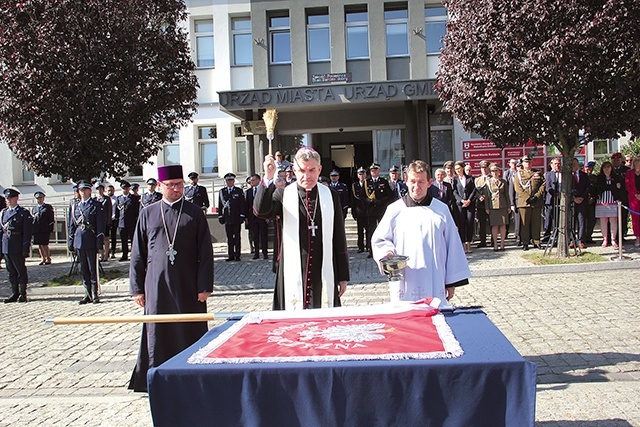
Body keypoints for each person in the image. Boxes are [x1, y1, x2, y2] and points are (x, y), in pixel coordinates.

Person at [129, 164, 214, 392]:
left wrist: (204, 286)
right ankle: (156, 377)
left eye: (179, 184)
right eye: (171, 185)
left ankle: (193, 374)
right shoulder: (147, 213)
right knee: (158, 331)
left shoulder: (194, 213)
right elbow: (138, 252)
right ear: (159, 186)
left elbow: (205, 252)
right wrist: (137, 288)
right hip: (156, 286)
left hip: (189, 285)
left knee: (190, 329)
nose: (176, 189)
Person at [254, 147, 349, 310]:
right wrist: (268, 177)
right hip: (291, 270)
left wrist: (342, 276)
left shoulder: (330, 195)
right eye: (302, 170)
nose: (307, 176)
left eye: (312, 170)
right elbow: (261, 212)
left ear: (319, 170)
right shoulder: (282, 194)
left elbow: (339, 235)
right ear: (294, 170)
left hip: (324, 269)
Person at [371, 160, 470, 303]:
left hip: (434, 279)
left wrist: (451, 282)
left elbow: (452, 246)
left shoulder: (441, 210)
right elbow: (380, 239)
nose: (416, 187)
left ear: (429, 183)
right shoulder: (394, 210)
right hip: (405, 278)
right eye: (413, 181)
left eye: (421, 182)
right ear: (406, 181)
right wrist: (387, 253)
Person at [69, 180, 106, 304]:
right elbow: (72, 225)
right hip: (79, 239)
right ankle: (87, 293)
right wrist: (70, 241)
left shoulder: (96, 205)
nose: (83, 192)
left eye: (85, 190)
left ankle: (95, 294)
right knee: (82, 268)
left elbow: (101, 225)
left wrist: (99, 241)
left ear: (90, 191)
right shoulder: (76, 206)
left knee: (92, 268)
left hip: (91, 238)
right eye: (81, 190)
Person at [2, 188, 33, 303]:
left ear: (16, 198)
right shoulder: (4, 213)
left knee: (20, 270)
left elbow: (27, 232)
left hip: (17, 244)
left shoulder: (23, 213)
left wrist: (25, 247)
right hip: (6, 244)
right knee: (11, 271)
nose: (9, 200)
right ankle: (14, 292)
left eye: (11, 198)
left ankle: (22, 293)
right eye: (7, 198)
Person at [514, 156, 546, 250]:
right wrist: (528, 198)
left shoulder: (537, 173)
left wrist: (537, 196)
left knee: (536, 223)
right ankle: (525, 242)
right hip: (524, 202)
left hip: (536, 201)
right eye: (526, 162)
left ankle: (537, 241)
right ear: (522, 164)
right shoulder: (518, 175)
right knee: (525, 224)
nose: (528, 164)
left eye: (529, 162)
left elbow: (543, 184)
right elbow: (518, 188)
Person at [364, 163, 393, 258]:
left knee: (383, 232)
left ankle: (383, 250)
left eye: (375, 170)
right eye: (372, 171)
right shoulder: (366, 182)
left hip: (381, 210)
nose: (374, 172)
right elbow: (362, 195)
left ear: (379, 171)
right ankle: (371, 251)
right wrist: (368, 200)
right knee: (371, 231)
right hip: (371, 210)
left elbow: (389, 195)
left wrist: (380, 201)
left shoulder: (383, 181)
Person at [218, 173, 245, 261]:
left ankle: (237, 255)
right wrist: (220, 216)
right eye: (228, 180)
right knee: (229, 237)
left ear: (233, 181)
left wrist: (242, 215)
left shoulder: (238, 191)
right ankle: (231, 255)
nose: (229, 182)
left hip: (236, 217)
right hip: (227, 217)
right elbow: (220, 204)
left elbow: (242, 204)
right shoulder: (222, 191)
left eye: (231, 180)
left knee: (237, 236)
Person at [596, 161, 623, 248]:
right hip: (602, 201)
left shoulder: (616, 177)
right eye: (605, 167)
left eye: (608, 167)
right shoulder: (599, 178)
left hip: (613, 201)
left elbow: (619, 188)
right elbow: (600, 188)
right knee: (603, 221)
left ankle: (613, 239)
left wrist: (612, 187)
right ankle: (605, 239)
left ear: (611, 168)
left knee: (613, 220)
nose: (607, 169)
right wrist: (613, 186)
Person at [484, 164, 510, 251]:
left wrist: (509, 206)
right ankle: (495, 244)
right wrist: (487, 207)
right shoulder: (488, 182)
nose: (494, 173)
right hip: (493, 206)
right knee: (494, 226)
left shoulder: (504, 182)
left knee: (503, 225)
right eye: (492, 171)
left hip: (503, 205)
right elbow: (487, 196)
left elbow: (507, 195)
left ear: (499, 172)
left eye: (496, 171)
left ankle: (502, 244)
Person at [452, 160, 476, 253]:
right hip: (460, 205)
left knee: (469, 223)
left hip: (469, 204)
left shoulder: (470, 179)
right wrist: (461, 200)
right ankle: (462, 244)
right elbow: (454, 192)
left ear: (463, 168)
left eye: (459, 168)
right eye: (456, 169)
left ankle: (469, 244)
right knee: (461, 224)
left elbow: (474, 190)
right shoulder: (455, 180)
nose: (458, 170)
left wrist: (469, 200)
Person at [245, 174, 269, 260]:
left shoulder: (264, 190)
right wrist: (246, 218)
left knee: (263, 235)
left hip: (262, 216)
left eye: (253, 180)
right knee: (255, 235)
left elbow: (267, 203)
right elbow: (246, 206)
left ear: (258, 180)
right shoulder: (248, 192)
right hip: (252, 217)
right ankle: (256, 253)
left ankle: (265, 253)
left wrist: (268, 216)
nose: (252, 182)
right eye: (251, 181)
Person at [116, 180, 139, 261]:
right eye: (123, 188)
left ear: (129, 189)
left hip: (131, 222)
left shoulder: (134, 198)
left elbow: (137, 211)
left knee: (133, 239)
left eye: (126, 188)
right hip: (122, 223)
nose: (125, 190)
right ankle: (124, 254)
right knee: (123, 240)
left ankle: (134, 254)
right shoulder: (119, 198)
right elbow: (117, 212)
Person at [570, 158, 590, 249]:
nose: (573, 166)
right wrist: (574, 198)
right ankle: (572, 240)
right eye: (572, 164)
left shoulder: (584, 175)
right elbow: (566, 189)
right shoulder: (568, 176)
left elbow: (587, 188)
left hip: (582, 201)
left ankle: (581, 240)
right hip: (572, 202)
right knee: (572, 221)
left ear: (578, 164)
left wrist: (581, 197)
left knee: (582, 221)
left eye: (575, 164)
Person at [31, 191, 54, 265]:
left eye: (40, 198)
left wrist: (50, 228)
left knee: (44, 244)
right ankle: (42, 258)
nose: (39, 200)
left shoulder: (47, 207)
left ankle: (48, 258)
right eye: (37, 198)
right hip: (36, 229)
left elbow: (51, 218)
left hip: (44, 228)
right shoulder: (34, 208)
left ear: (43, 198)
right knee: (39, 244)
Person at [542, 157, 562, 242]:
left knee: (558, 217)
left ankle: (557, 234)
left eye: (559, 164)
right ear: (551, 165)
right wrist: (556, 194)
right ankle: (547, 235)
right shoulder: (548, 174)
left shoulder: (564, 174)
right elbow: (548, 187)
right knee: (549, 217)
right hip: (551, 199)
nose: (557, 165)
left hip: (561, 199)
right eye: (555, 164)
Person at [612, 152, 630, 238]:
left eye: (618, 160)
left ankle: (621, 235)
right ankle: (612, 236)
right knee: (612, 218)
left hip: (623, 197)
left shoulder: (626, 170)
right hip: (612, 197)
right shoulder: (610, 169)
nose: (616, 161)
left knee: (623, 217)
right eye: (614, 160)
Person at [351, 167, 369, 253]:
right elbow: (353, 200)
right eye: (360, 174)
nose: (362, 176)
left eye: (363, 174)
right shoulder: (355, 185)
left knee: (369, 231)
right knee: (360, 231)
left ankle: (368, 246)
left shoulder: (369, 184)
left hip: (368, 211)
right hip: (359, 211)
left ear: (366, 175)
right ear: (358, 175)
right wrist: (353, 212)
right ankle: (360, 247)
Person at [474, 160, 491, 248]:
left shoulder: (492, 178)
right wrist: (479, 196)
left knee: (492, 223)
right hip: (481, 205)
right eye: (482, 168)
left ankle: (493, 240)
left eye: (485, 168)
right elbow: (475, 191)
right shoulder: (477, 180)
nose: (484, 170)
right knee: (482, 223)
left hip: (491, 204)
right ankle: (482, 241)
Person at [94, 184, 113, 261]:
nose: (99, 190)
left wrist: (109, 222)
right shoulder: (94, 199)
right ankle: (101, 254)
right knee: (98, 238)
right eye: (98, 189)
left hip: (105, 222)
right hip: (97, 222)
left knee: (106, 239)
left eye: (101, 189)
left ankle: (106, 254)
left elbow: (109, 211)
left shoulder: (107, 199)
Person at [625, 157, 640, 247]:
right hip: (633, 198)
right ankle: (637, 237)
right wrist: (635, 194)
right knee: (635, 219)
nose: (638, 165)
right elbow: (628, 186)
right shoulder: (629, 173)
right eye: (636, 163)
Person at [106, 184, 118, 259]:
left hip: (114, 219)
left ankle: (113, 252)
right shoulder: (105, 199)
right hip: (106, 220)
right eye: (108, 190)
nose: (110, 192)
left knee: (113, 236)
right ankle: (106, 252)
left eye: (111, 190)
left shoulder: (116, 199)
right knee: (106, 237)